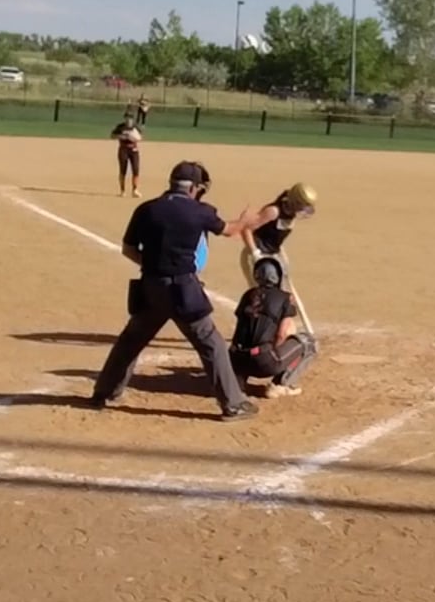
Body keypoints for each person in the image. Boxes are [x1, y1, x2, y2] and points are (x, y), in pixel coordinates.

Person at [90, 160, 258, 421]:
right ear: (193, 188)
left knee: (130, 341)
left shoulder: (147, 209)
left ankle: (104, 393)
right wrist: (245, 220)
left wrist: (154, 265)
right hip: (183, 290)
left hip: (150, 287)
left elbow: (128, 249)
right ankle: (233, 404)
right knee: (211, 343)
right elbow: (229, 230)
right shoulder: (199, 211)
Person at [230, 256, 318, 396]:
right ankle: (280, 384)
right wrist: (274, 352)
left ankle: (238, 382)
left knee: (247, 343)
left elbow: (240, 328)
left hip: (236, 360)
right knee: (309, 342)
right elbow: (282, 334)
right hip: (264, 362)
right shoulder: (284, 297)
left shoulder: (247, 295)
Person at [235, 183, 319, 287]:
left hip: (272, 254)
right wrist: (256, 254)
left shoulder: (290, 215)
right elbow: (247, 230)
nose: (303, 210)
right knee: (263, 292)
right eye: (302, 207)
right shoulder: (273, 212)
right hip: (256, 254)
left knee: (284, 288)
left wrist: (281, 255)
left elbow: (275, 237)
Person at [110, 115, 142, 197]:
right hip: (123, 150)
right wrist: (122, 136)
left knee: (136, 169)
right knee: (123, 170)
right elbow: (112, 136)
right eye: (127, 118)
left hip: (134, 150)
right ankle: (122, 190)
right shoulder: (120, 127)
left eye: (130, 118)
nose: (129, 120)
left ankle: (135, 190)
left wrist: (133, 137)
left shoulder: (135, 127)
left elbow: (140, 137)